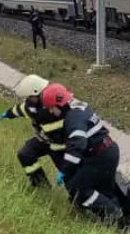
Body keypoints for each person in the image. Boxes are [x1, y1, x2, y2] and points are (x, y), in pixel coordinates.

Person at [41, 83, 124, 221]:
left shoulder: (72, 118)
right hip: (108, 150)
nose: (51, 112)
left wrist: (66, 170)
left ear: (59, 105)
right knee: (105, 190)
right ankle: (118, 224)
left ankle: (113, 213)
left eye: (51, 108)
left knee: (78, 189)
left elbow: (77, 143)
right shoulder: (79, 107)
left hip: (100, 156)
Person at [0, 74, 66, 187]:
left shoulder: (57, 105)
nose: (27, 99)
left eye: (29, 96)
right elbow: (21, 109)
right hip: (45, 140)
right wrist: (8, 114)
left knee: (71, 179)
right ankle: (41, 185)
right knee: (25, 154)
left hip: (62, 146)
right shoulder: (32, 105)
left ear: (36, 92)